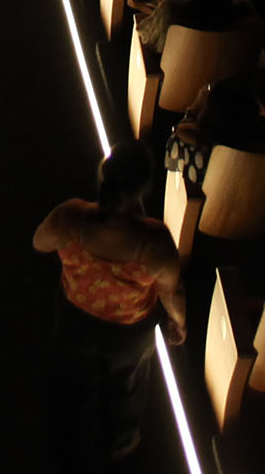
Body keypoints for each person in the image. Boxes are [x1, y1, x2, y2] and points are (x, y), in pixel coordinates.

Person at [33, 146, 186, 469]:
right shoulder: (155, 241)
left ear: (104, 176)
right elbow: (170, 292)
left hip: (75, 319)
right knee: (127, 385)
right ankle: (121, 445)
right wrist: (178, 321)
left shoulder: (71, 216)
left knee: (73, 383)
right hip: (129, 333)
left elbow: (39, 242)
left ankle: (69, 448)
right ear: (143, 189)